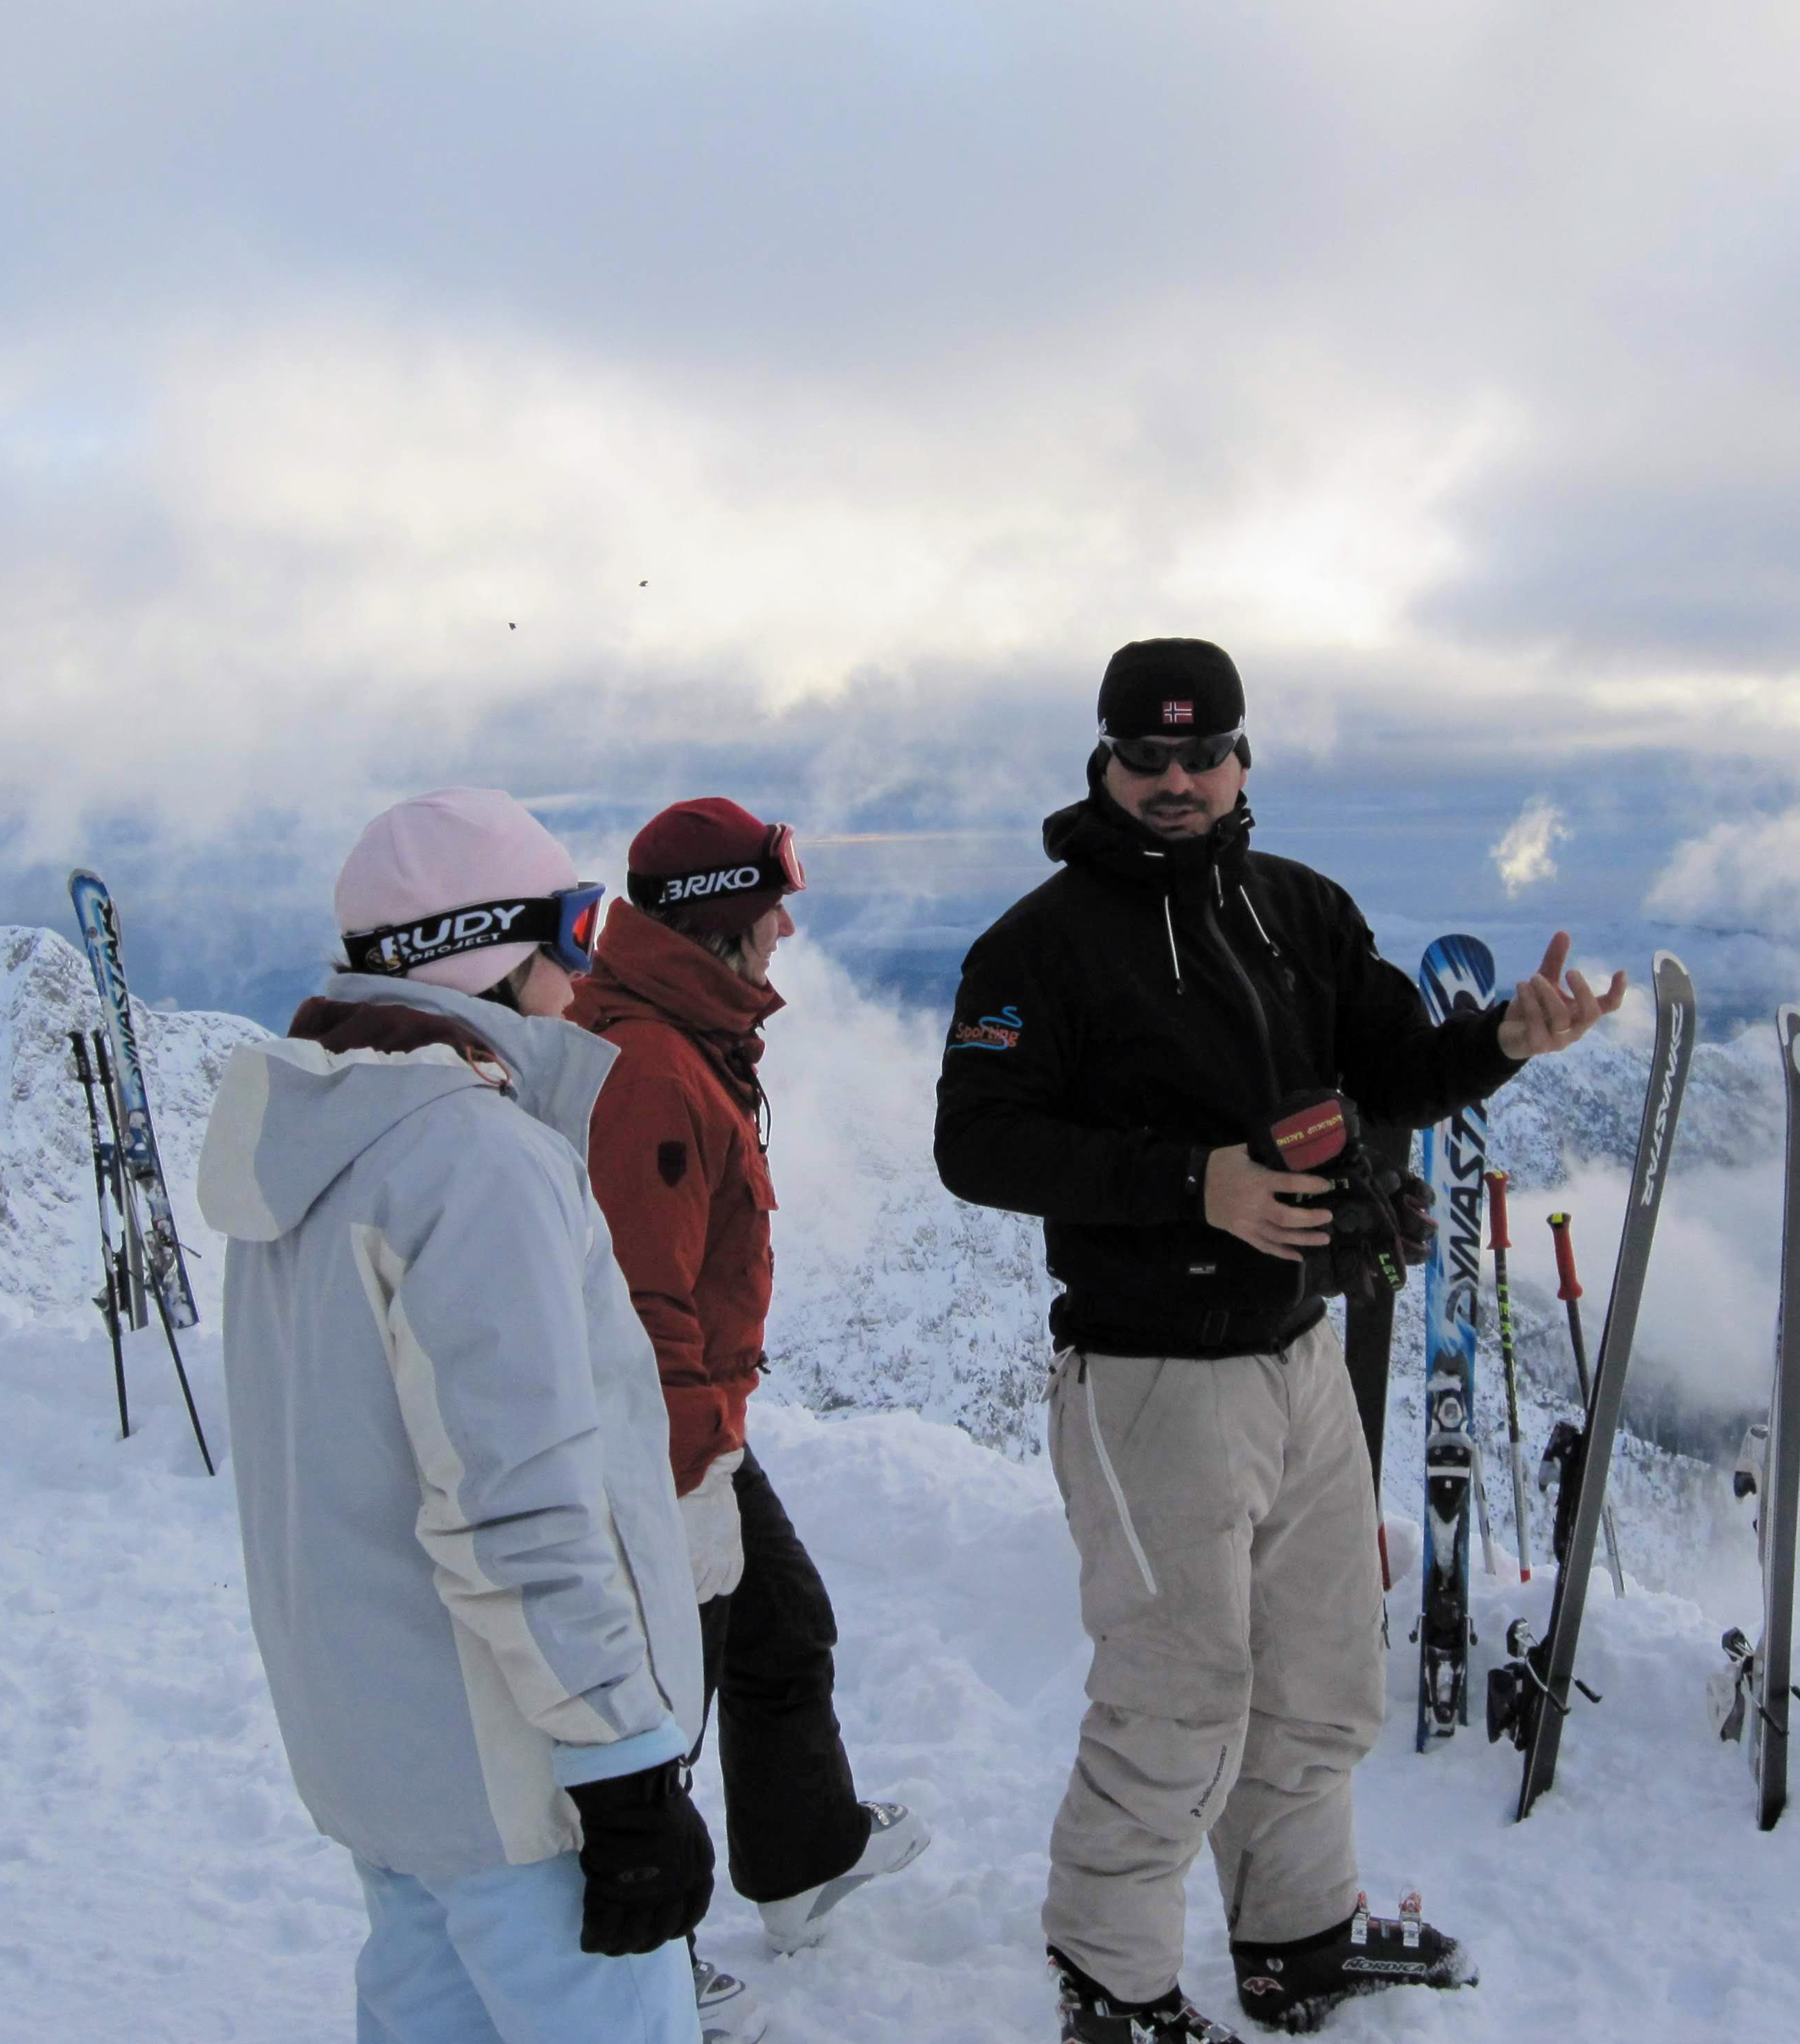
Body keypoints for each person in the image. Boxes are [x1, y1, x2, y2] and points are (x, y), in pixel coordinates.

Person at [932, 642, 1626, 2043]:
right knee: (1176, 1697)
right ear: (1104, 764)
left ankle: (1295, 1941)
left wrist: (1502, 1040)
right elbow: (977, 1143)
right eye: (1146, 757)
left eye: (1202, 755)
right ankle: (1113, 1988)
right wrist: (1198, 1184)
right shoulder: (1038, 945)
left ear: (1242, 760)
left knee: (1318, 1670)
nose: (1176, 781)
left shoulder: (1295, 907)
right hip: (1149, 1378)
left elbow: (1396, 1073)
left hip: (1300, 1356)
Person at [195, 787, 712, 2044]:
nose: (586, 971)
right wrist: (621, 1763)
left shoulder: (323, 1140)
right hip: (522, 1779)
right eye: (576, 928)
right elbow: (518, 1503)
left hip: (386, 1758)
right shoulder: (474, 1163)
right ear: (486, 948)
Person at [567, 798, 930, 2012]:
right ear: (720, 919)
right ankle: (643, 1974)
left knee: (783, 1625)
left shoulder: (680, 1031)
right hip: (665, 1438)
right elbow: (639, 1298)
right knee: (666, 1698)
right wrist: (682, 1485)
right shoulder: (653, 1068)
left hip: (697, 1418)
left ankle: (806, 1857)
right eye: (772, 905)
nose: (787, 928)